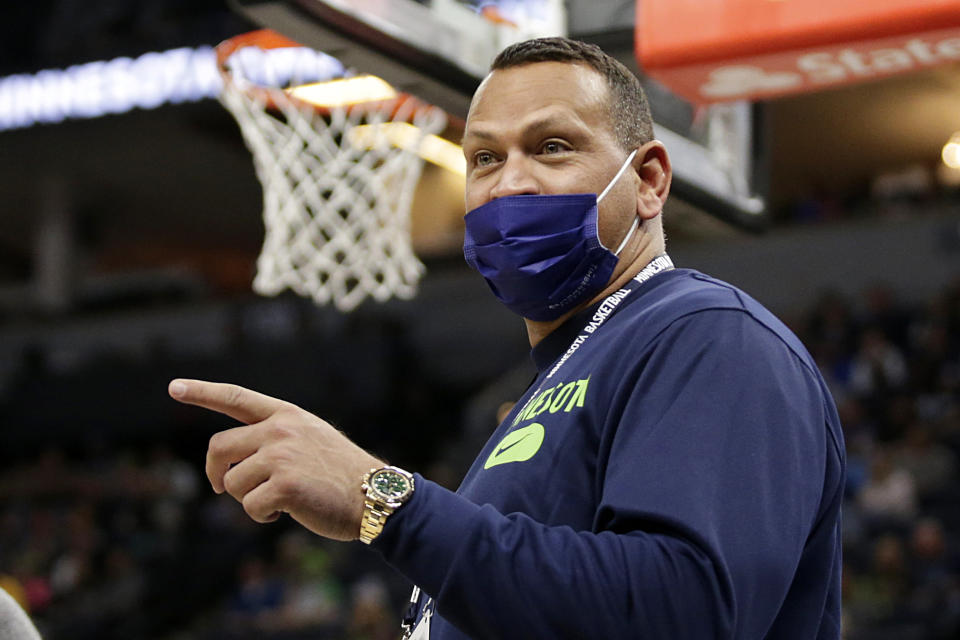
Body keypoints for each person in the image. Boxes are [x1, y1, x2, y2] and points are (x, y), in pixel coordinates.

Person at [169, 37, 845, 639]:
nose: (511, 182)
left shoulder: (708, 337)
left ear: (648, 180)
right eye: (486, 158)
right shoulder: (554, 383)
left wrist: (380, 499)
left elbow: (681, 613)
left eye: (551, 146)